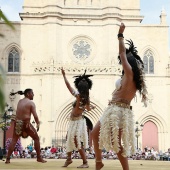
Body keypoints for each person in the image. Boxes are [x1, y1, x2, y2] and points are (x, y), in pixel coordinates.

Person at [91, 23, 148, 170]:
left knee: (110, 141)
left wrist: (120, 35)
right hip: (117, 110)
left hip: (118, 111)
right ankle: (100, 162)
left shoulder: (129, 73)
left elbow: (122, 53)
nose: (122, 62)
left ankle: (109, 165)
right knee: (100, 136)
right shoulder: (135, 79)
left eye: (124, 61)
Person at [61, 67, 95, 168]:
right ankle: (69, 159)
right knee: (69, 138)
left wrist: (64, 75)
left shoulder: (79, 96)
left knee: (75, 141)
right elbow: (88, 109)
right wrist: (92, 107)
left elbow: (68, 86)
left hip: (77, 121)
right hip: (74, 121)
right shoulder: (85, 98)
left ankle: (85, 162)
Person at [5, 89, 47, 164]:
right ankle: (39, 157)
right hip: (26, 124)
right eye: (32, 93)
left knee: (14, 140)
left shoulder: (20, 101)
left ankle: (8, 159)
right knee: (36, 138)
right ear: (28, 94)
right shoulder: (31, 103)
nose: (33, 94)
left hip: (17, 123)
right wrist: (38, 123)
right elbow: (35, 116)